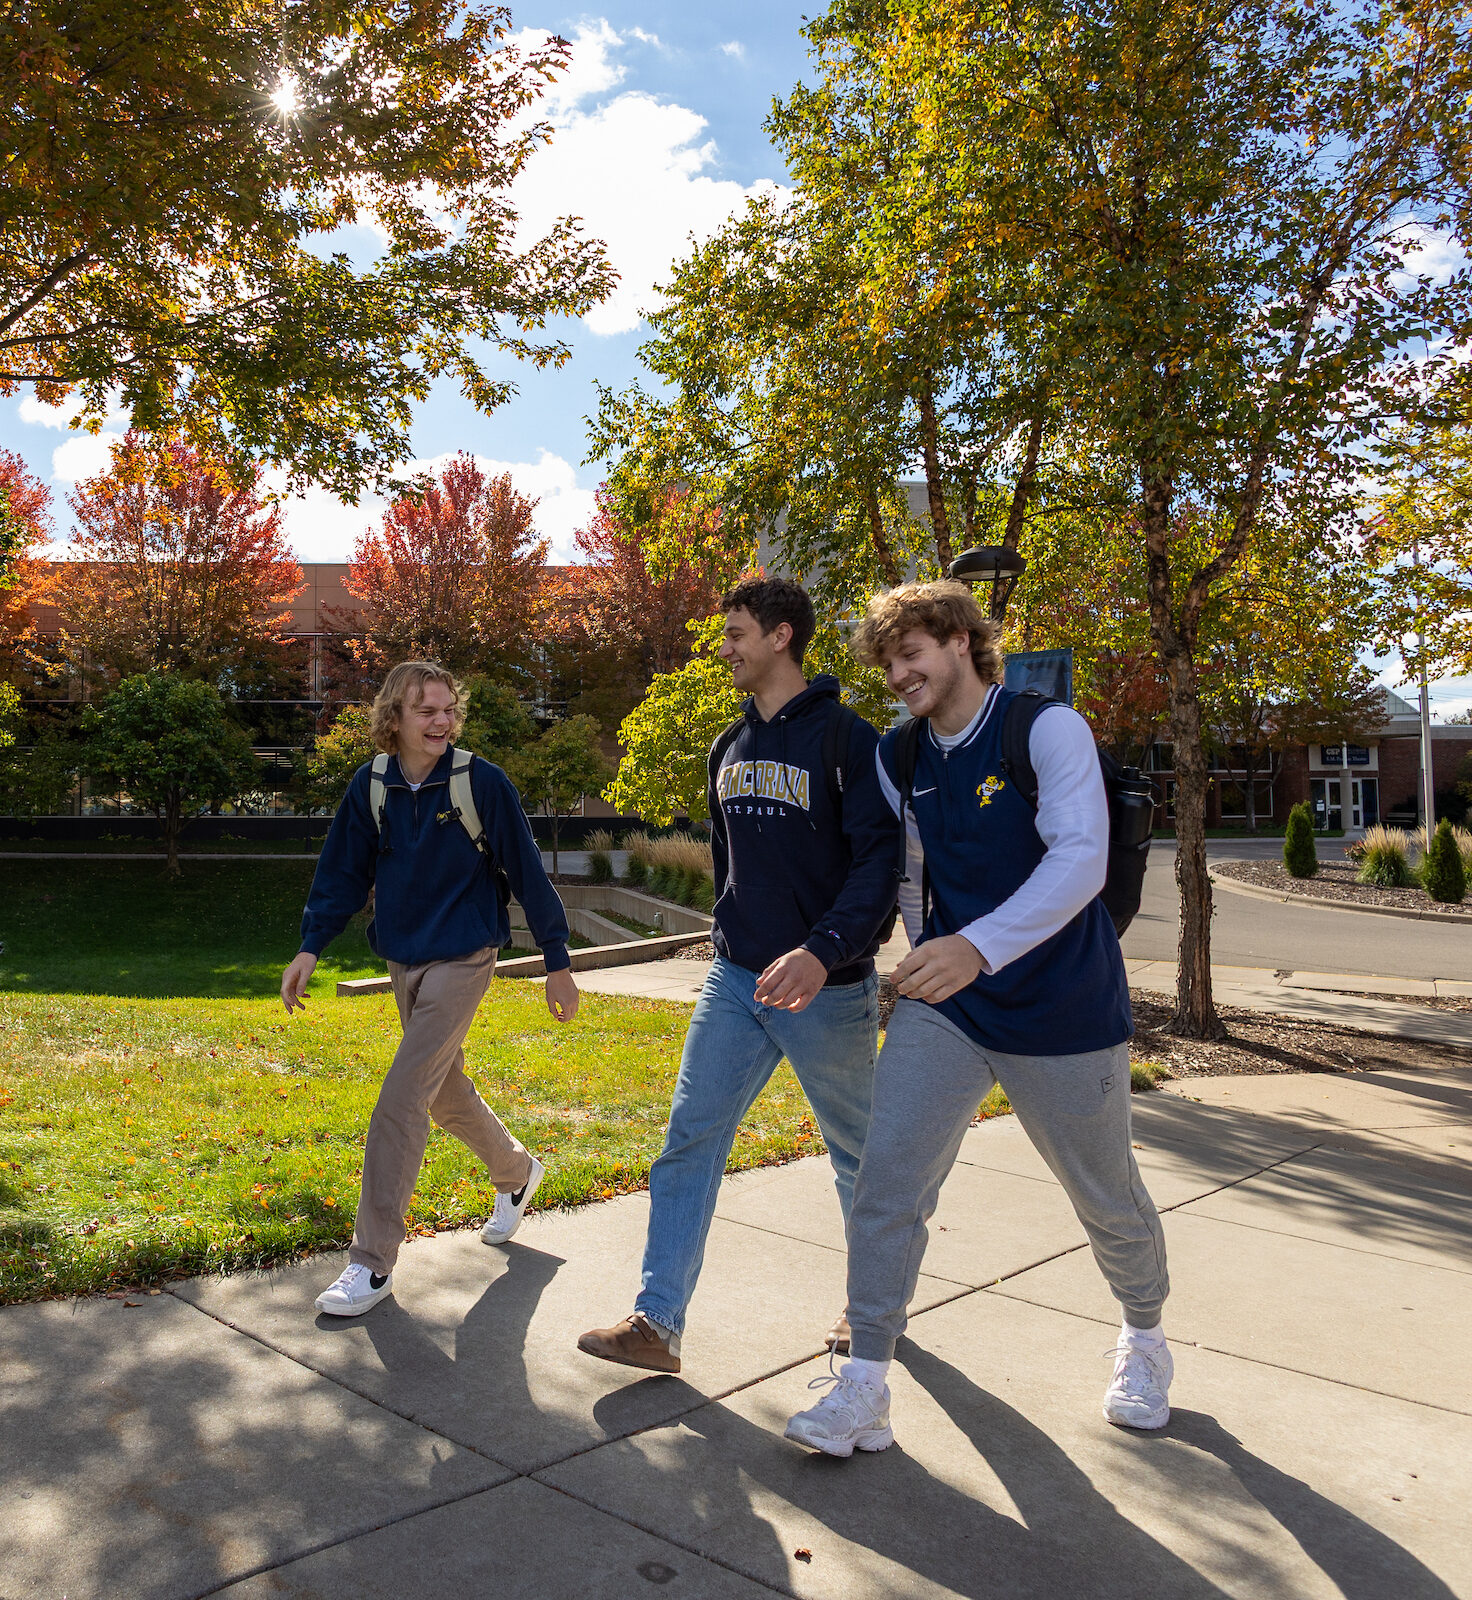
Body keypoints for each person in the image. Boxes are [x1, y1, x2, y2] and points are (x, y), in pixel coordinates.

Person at [784, 581, 1171, 1457]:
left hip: (1064, 1009)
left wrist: (978, 947)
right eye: (885, 663)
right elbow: (914, 867)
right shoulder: (902, 755)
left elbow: (1081, 859)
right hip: (949, 1007)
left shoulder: (1045, 731)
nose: (897, 674)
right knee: (888, 1183)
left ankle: (1144, 1339)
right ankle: (866, 1384)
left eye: (910, 653)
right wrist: (931, 949)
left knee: (1105, 1197)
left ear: (961, 641)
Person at [578, 577, 900, 1372]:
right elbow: (731, 867)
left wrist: (822, 951)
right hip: (735, 983)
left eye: (734, 634)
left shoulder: (847, 741)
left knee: (858, 1156)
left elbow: (877, 870)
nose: (723, 648)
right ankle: (656, 1324)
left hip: (828, 989)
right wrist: (732, 940)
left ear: (781, 636)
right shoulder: (729, 745)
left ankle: (873, 1310)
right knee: (688, 1142)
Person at [280, 660, 579, 1317]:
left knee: (400, 1098)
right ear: (397, 719)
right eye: (427, 712)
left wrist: (557, 958)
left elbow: (527, 871)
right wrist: (310, 946)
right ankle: (516, 1170)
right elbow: (341, 875)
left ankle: (371, 1264)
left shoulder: (480, 783)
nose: (441, 721)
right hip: (404, 957)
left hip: (466, 956)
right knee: (443, 1093)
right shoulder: (374, 786)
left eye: (448, 710)